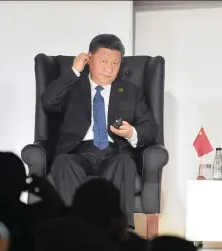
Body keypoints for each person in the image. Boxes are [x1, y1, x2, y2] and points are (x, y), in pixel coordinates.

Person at [42, 34, 158, 228]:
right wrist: (73, 71)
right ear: (89, 59)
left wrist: (131, 132)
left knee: (125, 163)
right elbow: (48, 102)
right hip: (77, 152)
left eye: (115, 63)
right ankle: (73, 229)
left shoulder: (130, 92)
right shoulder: (73, 86)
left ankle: (123, 231)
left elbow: (150, 127)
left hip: (114, 153)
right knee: (63, 162)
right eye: (104, 61)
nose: (109, 68)